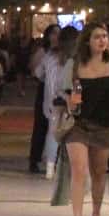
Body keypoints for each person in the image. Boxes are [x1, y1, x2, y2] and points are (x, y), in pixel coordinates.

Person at [50, 23, 109, 216]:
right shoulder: (74, 64)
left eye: (105, 36)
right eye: (97, 37)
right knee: (78, 169)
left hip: (104, 126)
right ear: (87, 40)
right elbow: (59, 91)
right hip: (78, 124)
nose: (103, 40)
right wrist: (69, 98)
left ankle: (96, 214)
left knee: (98, 173)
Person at [41, 26, 80, 180]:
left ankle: (50, 168)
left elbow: (40, 74)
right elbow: (77, 83)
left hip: (55, 102)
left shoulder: (50, 57)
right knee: (73, 135)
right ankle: (69, 168)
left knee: (53, 135)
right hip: (72, 101)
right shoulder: (77, 60)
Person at [29, 24, 60, 173]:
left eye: (58, 34)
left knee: (56, 129)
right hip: (45, 90)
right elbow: (36, 72)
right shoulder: (44, 53)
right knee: (41, 127)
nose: (56, 37)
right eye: (53, 33)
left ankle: (53, 160)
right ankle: (35, 159)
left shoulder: (64, 54)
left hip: (59, 92)